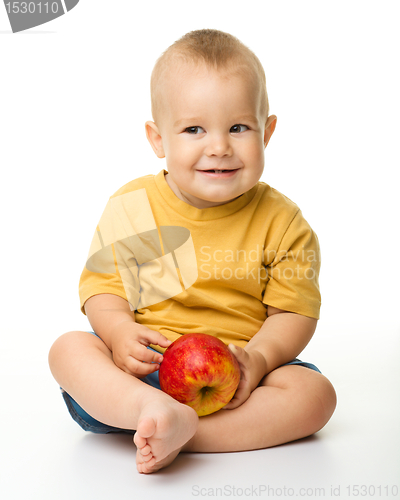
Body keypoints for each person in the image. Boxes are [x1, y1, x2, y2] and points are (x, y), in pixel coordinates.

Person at [48, 29, 336, 474]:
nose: (219, 146)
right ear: (158, 138)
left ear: (268, 132)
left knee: (315, 395)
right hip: (148, 374)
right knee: (68, 348)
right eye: (193, 129)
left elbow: (292, 315)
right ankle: (149, 409)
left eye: (239, 127)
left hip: (240, 382)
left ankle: (178, 432)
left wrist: (257, 361)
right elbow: (104, 291)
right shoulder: (135, 206)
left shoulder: (283, 222)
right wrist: (120, 332)